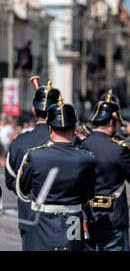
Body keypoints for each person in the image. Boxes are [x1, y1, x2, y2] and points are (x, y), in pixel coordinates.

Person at [17, 97, 96, 251]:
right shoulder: (88, 158)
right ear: (74, 128)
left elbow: (23, 190)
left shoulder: (34, 156)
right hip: (72, 226)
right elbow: (88, 196)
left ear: (50, 128)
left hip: (41, 224)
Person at [81, 93, 130, 251]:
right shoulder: (118, 150)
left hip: (87, 214)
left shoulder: (81, 145)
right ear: (112, 122)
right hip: (113, 218)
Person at [4, 78, 60, 250]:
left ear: (34, 110)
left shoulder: (19, 142)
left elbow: (11, 183)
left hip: (29, 214)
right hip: (62, 216)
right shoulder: (69, 141)